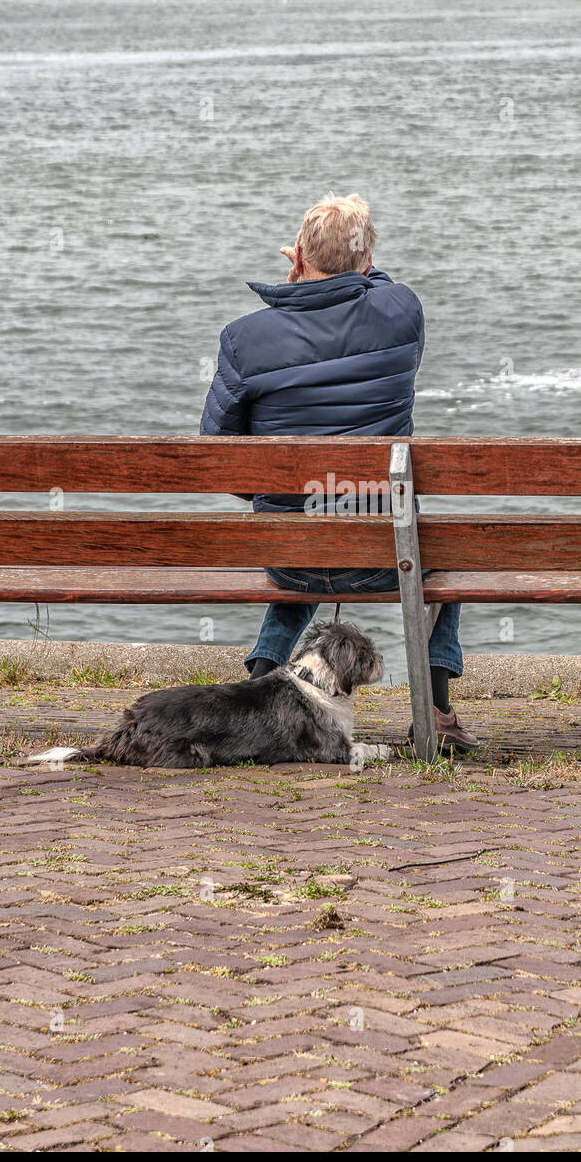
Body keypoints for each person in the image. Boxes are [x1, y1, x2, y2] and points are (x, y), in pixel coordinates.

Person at [200, 193, 477, 750]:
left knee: (304, 533)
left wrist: (301, 278)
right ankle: (439, 714)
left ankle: (259, 689)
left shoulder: (243, 338)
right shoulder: (402, 311)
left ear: (297, 255)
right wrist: (342, 272)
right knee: (446, 566)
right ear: (367, 260)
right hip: (383, 555)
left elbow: (222, 461)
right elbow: (380, 288)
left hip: (292, 555)